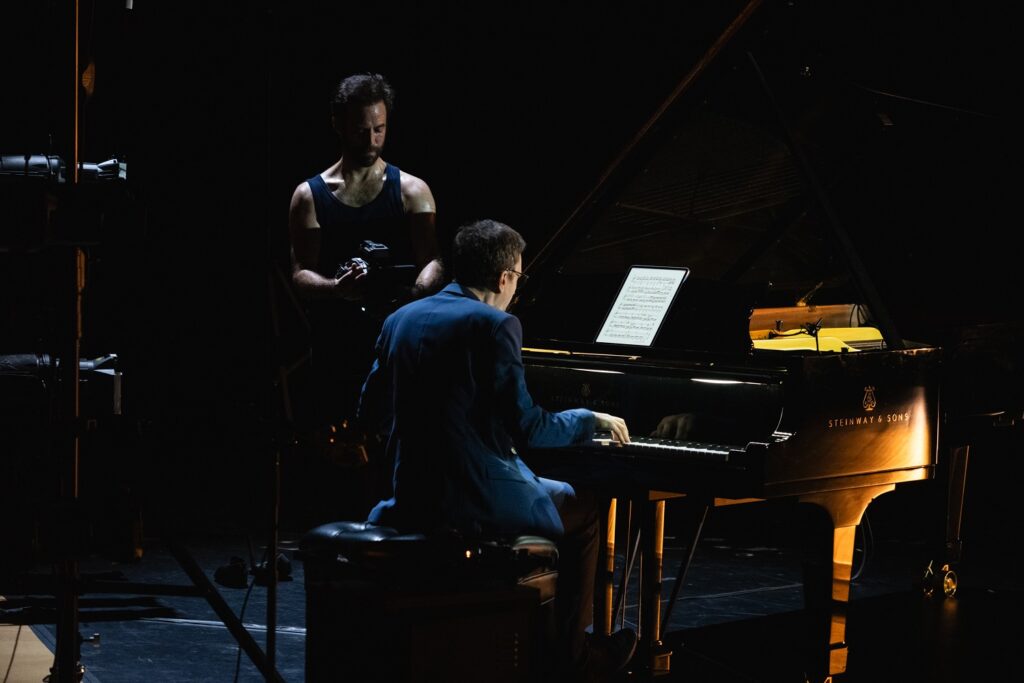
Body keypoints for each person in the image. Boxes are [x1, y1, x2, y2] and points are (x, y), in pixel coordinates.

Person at [358, 219, 638, 682]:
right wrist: (588, 420)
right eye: (519, 279)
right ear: (505, 277)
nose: (516, 289)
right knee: (586, 508)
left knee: (554, 488)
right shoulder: (496, 325)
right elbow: (528, 427)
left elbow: (371, 413)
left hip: (410, 496)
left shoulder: (399, 320)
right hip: (473, 501)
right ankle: (574, 657)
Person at [287, 71, 444, 441]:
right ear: (337, 125)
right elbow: (299, 274)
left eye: (379, 129)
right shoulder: (308, 196)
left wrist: (416, 294)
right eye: (361, 130)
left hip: (398, 342)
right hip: (334, 347)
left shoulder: (413, 191)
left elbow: (433, 261)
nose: (372, 140)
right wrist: (337, 288)